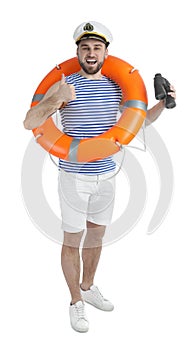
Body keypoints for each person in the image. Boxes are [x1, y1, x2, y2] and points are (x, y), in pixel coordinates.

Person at [23, 21, 176, 333]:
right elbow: (29, 122)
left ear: (106, 52)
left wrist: (164, 103)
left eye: (96, 48)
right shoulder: (64, 84)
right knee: (71, 240)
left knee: (96, 237)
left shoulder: (116, 86)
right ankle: (76, 302)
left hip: (107, 176)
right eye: (84, 47)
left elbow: (139, 123)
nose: (90, 53)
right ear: (77, 52)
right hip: (73, 179)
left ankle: (89, 286)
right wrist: (56, 99)